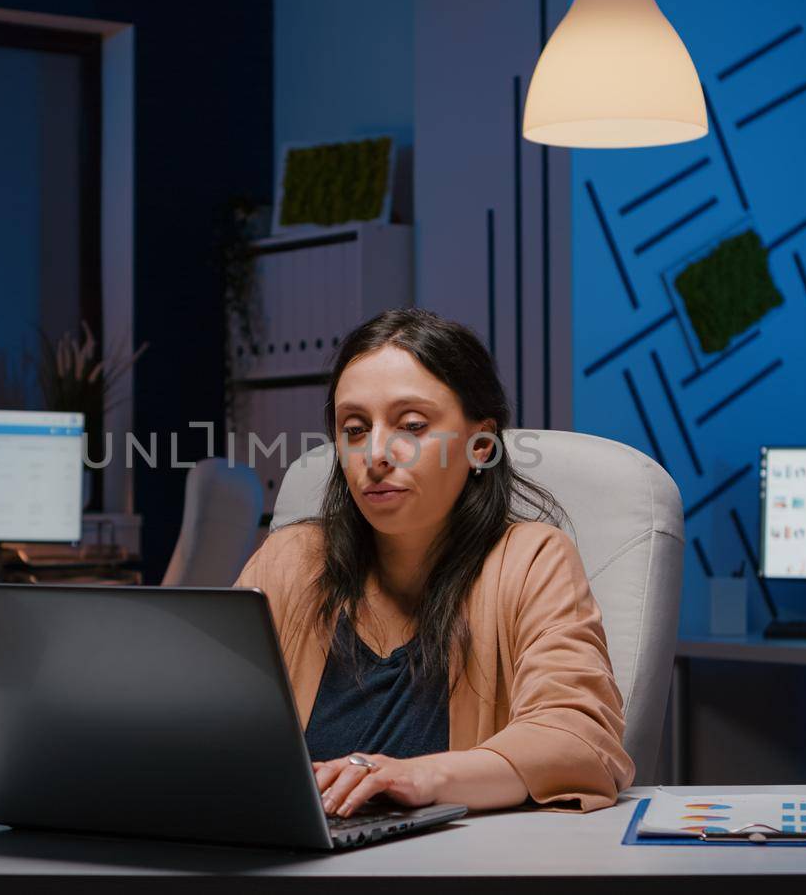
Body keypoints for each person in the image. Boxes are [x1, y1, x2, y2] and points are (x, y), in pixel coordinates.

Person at [234, 308, 633, 819]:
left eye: (412, 425)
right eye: (354, 429)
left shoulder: (532, 559)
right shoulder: (290, 561)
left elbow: (580, 738)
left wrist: (421, 775)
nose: (375, 453)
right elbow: (204, 718)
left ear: (481, 446)